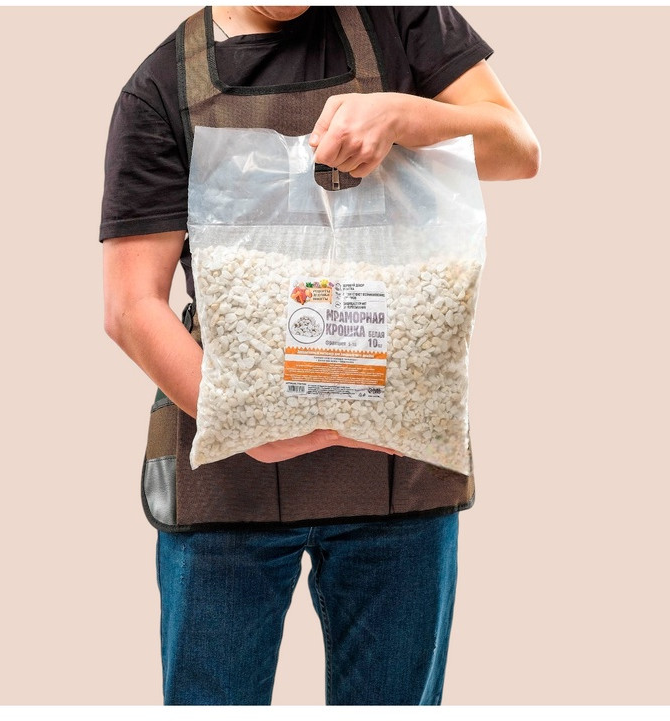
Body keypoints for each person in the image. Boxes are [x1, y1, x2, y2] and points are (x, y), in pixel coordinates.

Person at [100, 5, 540, 705]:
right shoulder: (161, 88)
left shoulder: (402, 21)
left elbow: (518, 148)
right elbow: (131, 306)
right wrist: (248, 422)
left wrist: (404, 115)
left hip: (398, 474)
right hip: (228, 483)